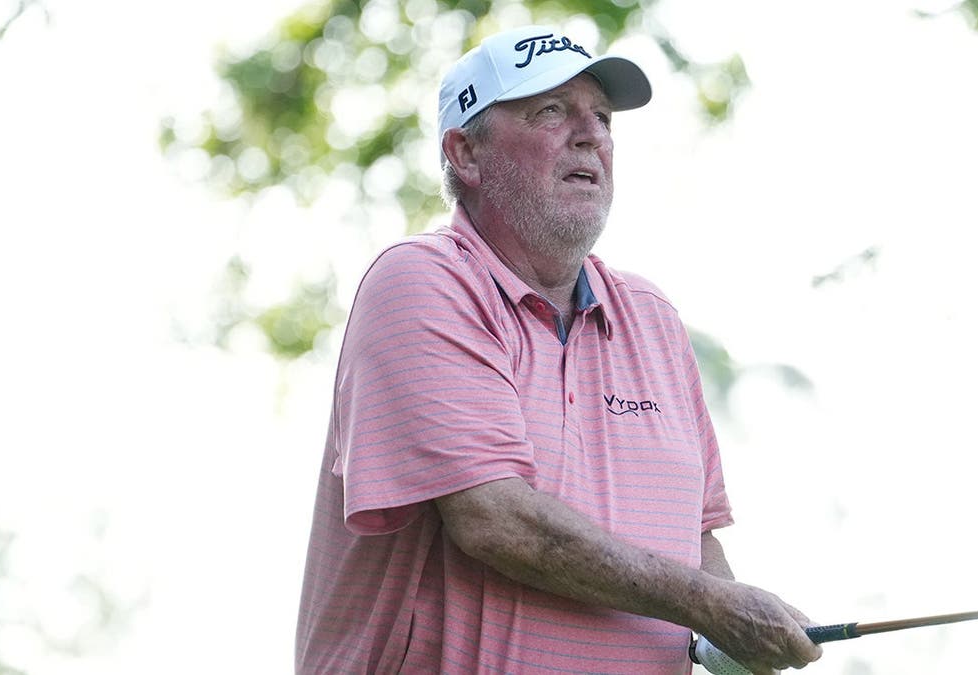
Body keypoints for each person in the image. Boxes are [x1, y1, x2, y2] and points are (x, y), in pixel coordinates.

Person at [295, 24, 823, 674]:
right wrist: (710, 604)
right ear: (464, 152)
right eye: (551, 111)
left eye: (601, 117)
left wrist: (735, 635)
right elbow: (495, 519)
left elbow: (698, 543)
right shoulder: (422, 281)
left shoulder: (653, 319)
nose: (591, 134)